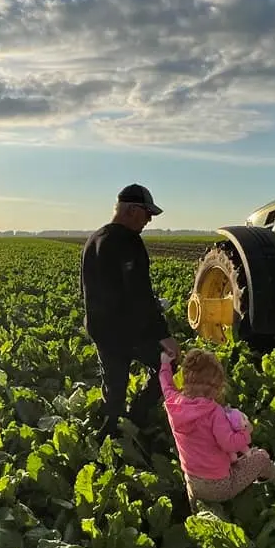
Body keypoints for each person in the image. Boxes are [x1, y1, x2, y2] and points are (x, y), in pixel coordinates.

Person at [80, 183, 180, 440]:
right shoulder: (127, 242)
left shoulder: (94, 239)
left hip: (102, 330)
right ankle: (138, 416)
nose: (148, 220)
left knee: (114, 389)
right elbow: (139, 294)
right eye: (147, 213)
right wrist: (163, 334)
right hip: (129, 331)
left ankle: (109, 438)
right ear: (132, 210)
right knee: (167, 364)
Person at [158, 347, 275, 508]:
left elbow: (166, 385)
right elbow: (229, 444)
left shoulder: (174, 404)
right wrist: (246, 432)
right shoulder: (214, 412)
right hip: (219, 485)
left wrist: (165, 364)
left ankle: (197, 508)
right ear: (216, 386)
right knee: (260, 457)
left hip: (192, 483)